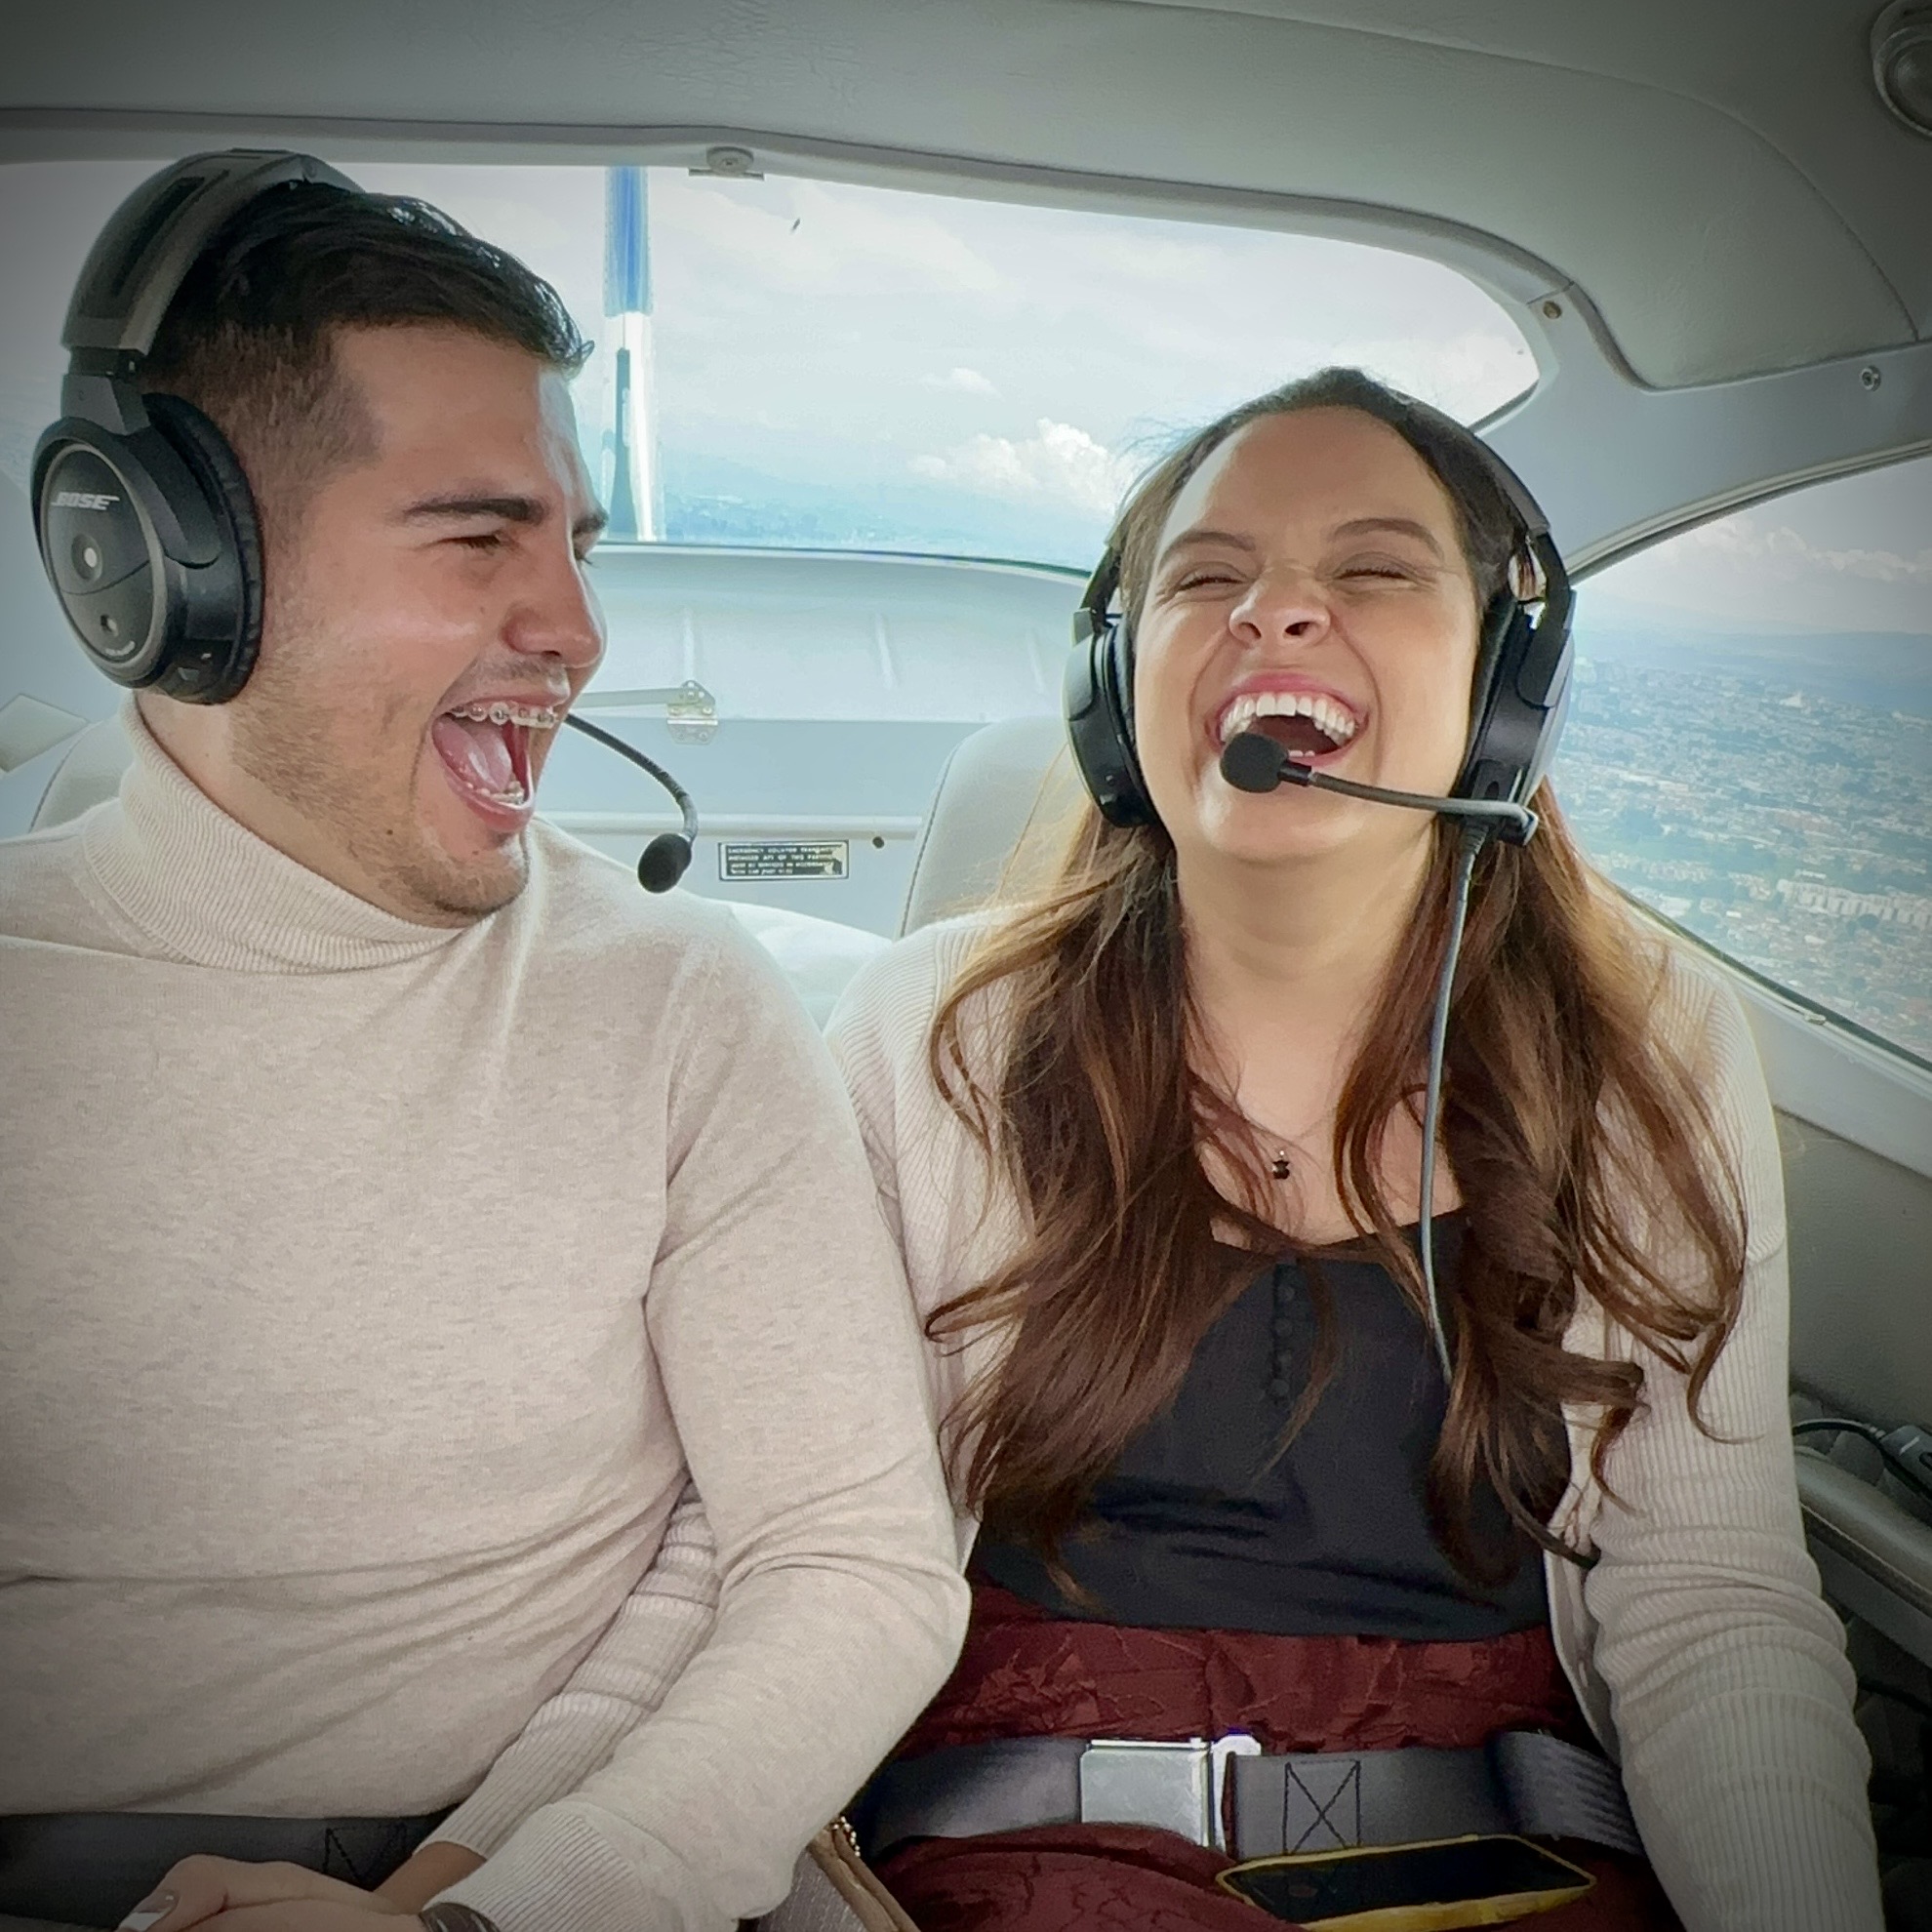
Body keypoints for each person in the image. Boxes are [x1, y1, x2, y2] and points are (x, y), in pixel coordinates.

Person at [0, 157, 966, 1932]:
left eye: (574, 544)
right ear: (173, 566)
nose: (577, 635)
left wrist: (483, 1909)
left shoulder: (676, 998)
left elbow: (848, 1559)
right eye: (477, 538)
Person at [821, 369, 1884, 1930]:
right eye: (1206, 577)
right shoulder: (938, 1033)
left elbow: (1708, 1599)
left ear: (1509, 682)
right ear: (1115, 681)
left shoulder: (1645, 1047)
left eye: (1375, 569)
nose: (1276, 613)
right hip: (1019, 1861)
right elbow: (819, 1570)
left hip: (1512, 1870)